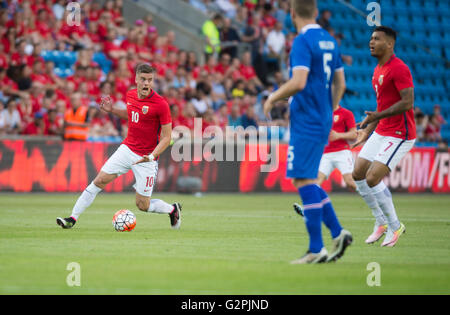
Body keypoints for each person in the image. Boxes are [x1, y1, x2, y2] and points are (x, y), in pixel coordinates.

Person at [263, 0, 351, 264]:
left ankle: (316, 248)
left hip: (306, 120)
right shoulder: (330, 40)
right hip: (322, 118)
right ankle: (337, 232)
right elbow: (341, 83)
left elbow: (299, 81)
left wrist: (273, 98)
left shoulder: (302, 42)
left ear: (292, 14)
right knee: (309, 179)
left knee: (302, 180)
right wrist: (330, 109)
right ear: (315, 12)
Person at [56, 64, 182, 230]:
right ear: (136, 79)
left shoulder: (160, 104)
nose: (146, 83)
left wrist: (152, 156)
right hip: (127, 149)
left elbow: (167, 137)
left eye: (150, 80)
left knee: (142, 205)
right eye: (143, 79)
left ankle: (172, 209)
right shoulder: (130, 94)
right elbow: (131, 115)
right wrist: (112, 110)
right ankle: (72, 218)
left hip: (146, 158)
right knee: (99, 180)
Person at [352, 26, 415, 247]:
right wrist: (368, 131)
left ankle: (395, 226)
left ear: (390, 44)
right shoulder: (378, 70)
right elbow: (382, 107)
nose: (371, 42)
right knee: (357, 173)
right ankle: (380, 222)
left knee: (372, 177)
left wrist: (378, 116)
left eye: (377, 39)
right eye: (370, 38)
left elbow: (408, 103)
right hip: (382, 130)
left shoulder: (399, 68)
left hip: (401, 133)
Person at [317, 104, 357, 189]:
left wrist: (338, 135)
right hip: (325, 153)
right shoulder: (321, 113)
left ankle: (372, 198)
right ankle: (310, 202)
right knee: (316, 181)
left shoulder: (346, 113)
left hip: (342, 152)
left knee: (350, 181)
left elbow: (354, 134)